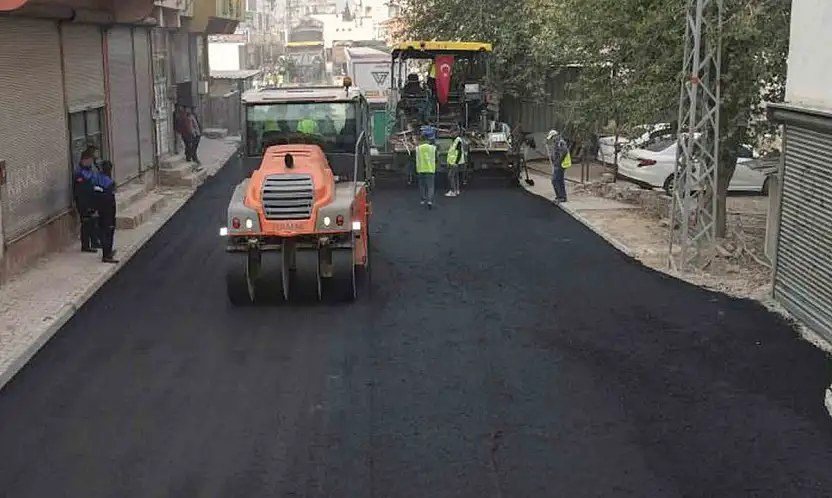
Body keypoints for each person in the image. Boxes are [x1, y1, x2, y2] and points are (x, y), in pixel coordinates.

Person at [73, 149, 100, 252]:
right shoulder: (80, 173)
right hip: (84, 203)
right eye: (89, 160)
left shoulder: (90, 171)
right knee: (86, 224)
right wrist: (83, 206)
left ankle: (94, 242)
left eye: (91, 160)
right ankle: (85, 246)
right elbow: (80, 192)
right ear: (84, 160)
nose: (90, 162)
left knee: (94, 222)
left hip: (92, 201)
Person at [93, 160, 119, 264]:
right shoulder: (109, 182)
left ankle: (107, 251)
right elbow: (110, 198)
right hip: (107, 210)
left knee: (103, 231)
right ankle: (106, 255)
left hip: (100, 209)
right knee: (108, 232)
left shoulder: (97, 179)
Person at [547, 129, 572, 203]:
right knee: (560, 181)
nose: (552, 139)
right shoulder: (557, 142)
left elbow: (564, 152)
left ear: (555, 136)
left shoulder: (560, 142)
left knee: (554, 180)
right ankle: (563, 197)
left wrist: (558, 162)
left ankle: (560, 197)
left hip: (561, 165)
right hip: (559, 164)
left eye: (552, 138)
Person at [415, 129, 438, 209]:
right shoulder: (433, 148)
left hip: (420, 169)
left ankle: (422, 199)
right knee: (430, 186)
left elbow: (416, 158)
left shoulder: (418, 148)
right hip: (430, 169)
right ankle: (430, 201)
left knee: (422, 185)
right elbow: (436, 158)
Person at [445, 127, 465, 197]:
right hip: (453, 162)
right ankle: (457, 190)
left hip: (455, 162)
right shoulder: (454, 140)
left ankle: (453, 191)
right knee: (455, 177)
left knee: (450, 176)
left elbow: (459, 153)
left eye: (452, 132)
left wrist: (456, 162)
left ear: (456, 132)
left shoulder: (458, 140)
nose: (451, 134)